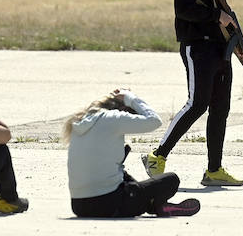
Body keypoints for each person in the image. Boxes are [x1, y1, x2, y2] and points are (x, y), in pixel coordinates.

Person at [142, 0, 243, 187]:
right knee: (197, 103)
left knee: (220, 109)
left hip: (220, 48)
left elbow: (226, 13)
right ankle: (157, 157)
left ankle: (214, 170)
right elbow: (183, 9)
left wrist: (239, 45)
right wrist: (217, 16)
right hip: (198, 46)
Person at [64, 88, 201, 218]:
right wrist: (131, 99)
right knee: (170, 179)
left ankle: (155, 204)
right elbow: (154, 121)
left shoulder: (79, 123)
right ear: (123, 110)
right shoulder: (113, 118)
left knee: (124, 175)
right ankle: (156, 205)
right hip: (109, 205)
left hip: (79, 206)